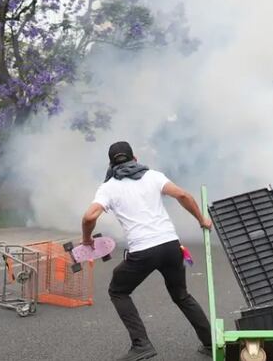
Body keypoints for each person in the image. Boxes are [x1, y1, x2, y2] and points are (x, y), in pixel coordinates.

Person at [81, 141, 213, 361]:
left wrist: (87, 240)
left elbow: (88, 217)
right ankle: (210, 344)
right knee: (181, 295)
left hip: (143, 250)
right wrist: (202, 219)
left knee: (118, 290)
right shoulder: (153, 176)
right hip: (171, 245)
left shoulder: (108, 187)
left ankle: (141, 344)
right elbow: (183, 196)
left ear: (111, 164)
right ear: (135, 158)